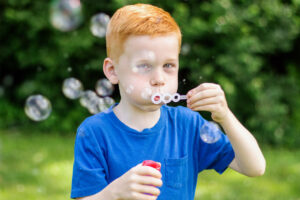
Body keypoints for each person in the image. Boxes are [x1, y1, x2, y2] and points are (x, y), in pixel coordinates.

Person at [71, 3, 266, 200]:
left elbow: (255, 167)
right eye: (145, 65)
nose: (159, 78)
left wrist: (225, 116)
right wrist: (112, 194)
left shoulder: (187, 125)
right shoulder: (94, 132)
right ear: (112, 71)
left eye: (168, 65)